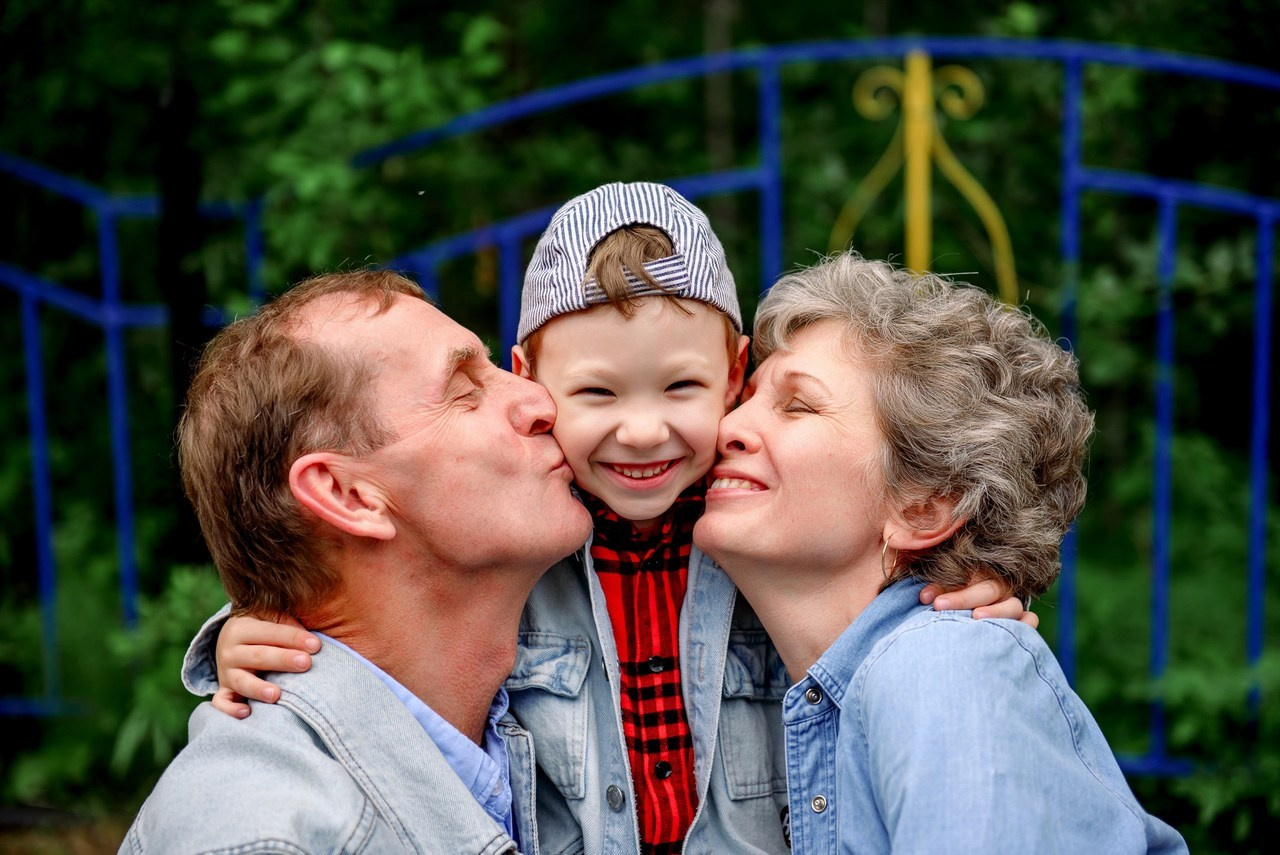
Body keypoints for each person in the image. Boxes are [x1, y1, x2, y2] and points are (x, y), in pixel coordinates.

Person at [183, 185, 1030, 853]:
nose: (642, 430)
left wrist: (955, 588)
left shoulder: (753, 523)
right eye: (592, 392)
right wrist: (253, 629)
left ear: (734, 373)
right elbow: (377, 602)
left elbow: (865, 571)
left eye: (681, 388)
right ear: (534, 373)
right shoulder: (532, 534)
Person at [694, 251, 1188, 853]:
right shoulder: (768, 681)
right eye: (743, 399)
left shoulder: (944, 667)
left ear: (922, 508)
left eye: (797, 405)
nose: (726, 427)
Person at [121, 270, 593, 854]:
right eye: (465, 391)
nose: (541, 399)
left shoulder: (545, 716)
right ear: (348, 495)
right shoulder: (267, 834)